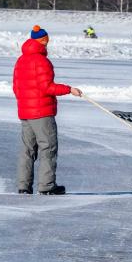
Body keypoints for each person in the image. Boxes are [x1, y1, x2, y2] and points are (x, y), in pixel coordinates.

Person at [13, 25, 83, 195]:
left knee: (27, 150)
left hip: (25, 113)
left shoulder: (21, 60)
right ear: (43, 41)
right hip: (42, 113)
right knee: (48, 148)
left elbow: (16, 88)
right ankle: (46, 186)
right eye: (46, 41)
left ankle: (24, 186)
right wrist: (69, 89)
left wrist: (26, 103)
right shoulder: (42, 61)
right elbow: (47, 87)